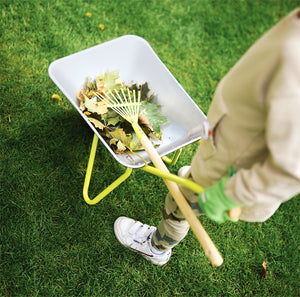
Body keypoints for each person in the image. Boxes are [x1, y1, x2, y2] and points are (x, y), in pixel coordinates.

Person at [114, 8, 300, 265]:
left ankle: (156, 247)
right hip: (231, 144)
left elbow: (293, 167)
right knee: (190, 186)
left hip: (232, 173)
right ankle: (198, 179)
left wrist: (232, 193)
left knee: (179, 205)